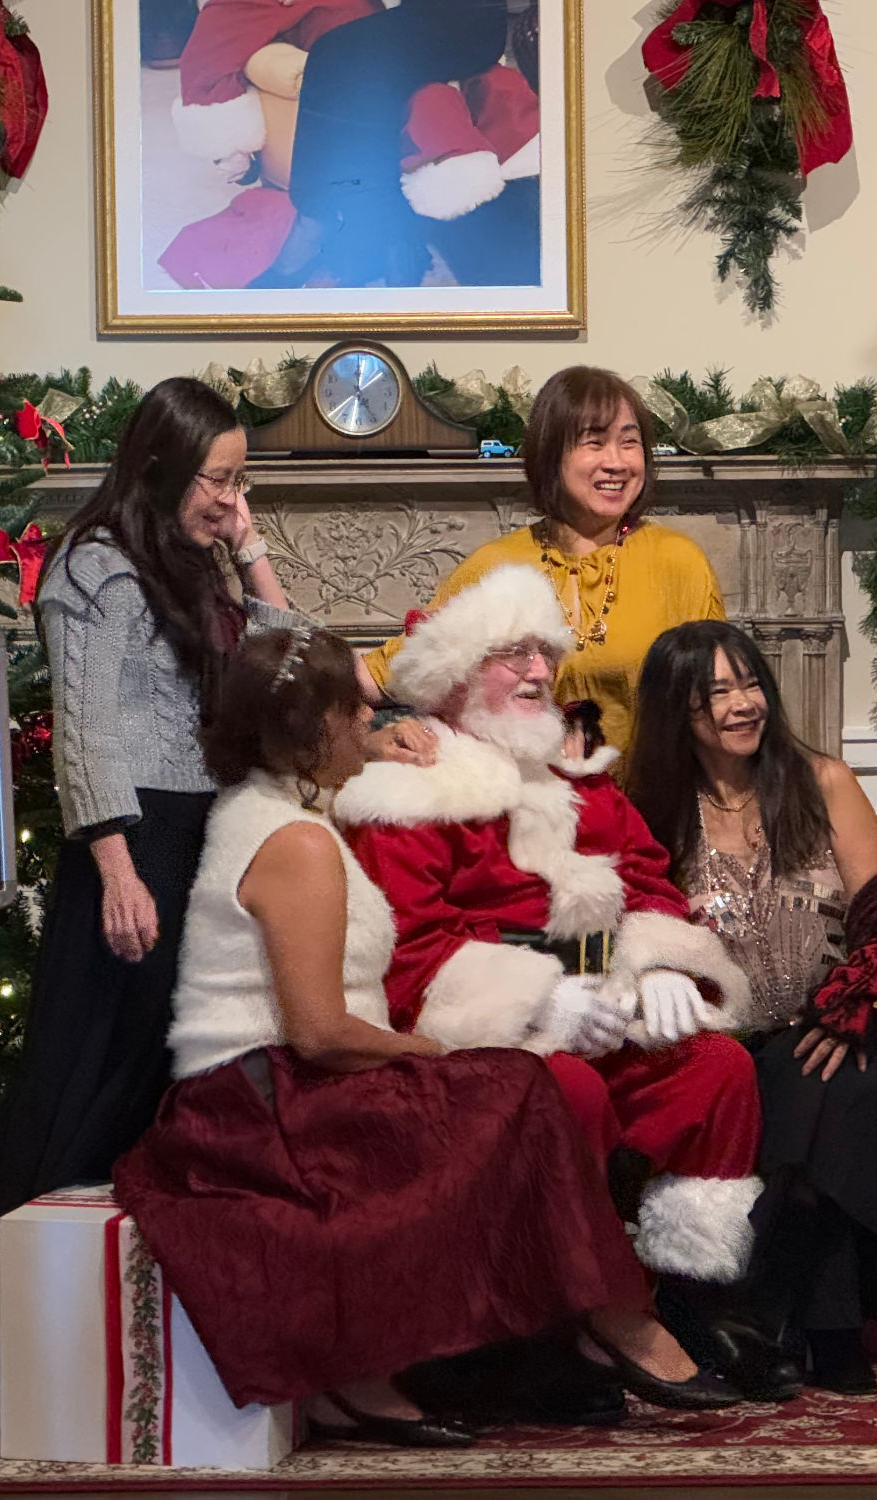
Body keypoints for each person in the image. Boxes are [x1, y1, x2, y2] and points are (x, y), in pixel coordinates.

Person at [114, 626, 738, 1449]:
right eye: (357, 713)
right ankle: (598, 1321)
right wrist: (439, 1058)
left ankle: (588, 1321)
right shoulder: (298, 842)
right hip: (257, 1099)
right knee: (521, 1089)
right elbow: (318, 1031)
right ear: (315, 730)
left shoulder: (287, 805)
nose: (375, 727)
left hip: (283, 1079)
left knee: (522, 1087)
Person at [0, 378, 431, 1370]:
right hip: (125, 844)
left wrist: (247, 544)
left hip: (193, 827)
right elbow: (81, 728)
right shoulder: (90, 567)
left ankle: (82, 1309)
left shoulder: (193, 565)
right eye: (219, 478)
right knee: (75, 1068)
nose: (228, 496)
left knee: (145, 1072)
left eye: (240, 479)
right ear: (162, 466)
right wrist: (116, 868)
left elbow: (294, 659)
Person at [336, 564, 805, 1401]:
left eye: (545, 654)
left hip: (602, 1007)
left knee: (717, 1071)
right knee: (570, 1092)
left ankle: (687, 1293)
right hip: (475, 1040)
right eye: (512, 654)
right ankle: (602, 1314)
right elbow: (408, 956)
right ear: (453, 676)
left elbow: (652, 883)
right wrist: (540, 1002)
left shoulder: (577, 777)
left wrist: (663, 962)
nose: (540, 673)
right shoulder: (405, 793)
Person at [623, 621, 877, 1394]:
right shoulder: (650, 806)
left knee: (841, 1079)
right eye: (715, 692)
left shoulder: (823, 782)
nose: (742, 704)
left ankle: (775, 1319)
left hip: (836, 1022)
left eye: (749, 683)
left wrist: (845, 1006)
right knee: (806, 1082)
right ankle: (828, 1331)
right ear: (674, 711)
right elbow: (632, 929)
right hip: (719, 1041)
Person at [365, 366, 725, 755]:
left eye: (629, 442)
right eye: (595, 442)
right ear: (551, 454)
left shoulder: (678, 561)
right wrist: (369, 740)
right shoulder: (498, 565)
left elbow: (718, 698)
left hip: (650, 808)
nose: (617, 462)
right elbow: (386, 675)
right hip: (526, 804)